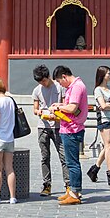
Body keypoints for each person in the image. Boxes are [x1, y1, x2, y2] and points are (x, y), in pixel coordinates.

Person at [50, 65, 88, 205]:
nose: (61, 85)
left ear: (64, 76)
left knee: (72, 163)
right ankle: (72, 190)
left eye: (60, 82)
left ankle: (75, 192)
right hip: (69, 128)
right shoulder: (73, 87)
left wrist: (57, 107)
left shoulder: (77, 86)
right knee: (70, 161)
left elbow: (72, 108)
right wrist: (59, 104)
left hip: (73, 129)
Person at [31, 64, 70, 197]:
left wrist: (57, 113)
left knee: (63, 156)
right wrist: (39, 111)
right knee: (45, 156)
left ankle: (68, 185)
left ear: (48, 77)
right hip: (43, 126)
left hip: (58, 126)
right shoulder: (37, 90)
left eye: (44, 80)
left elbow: (65, 105)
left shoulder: (59, 87)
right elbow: (35, 109)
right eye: (40, 82)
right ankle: (46, 184)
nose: (42, 83)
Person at [88, 65, 110, 186]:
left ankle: (94, 169)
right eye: (108, 73)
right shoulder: (98, 90)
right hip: (104, 119)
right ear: (102, 75)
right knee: (109, 146)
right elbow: (102, 105)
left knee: (108, 146)